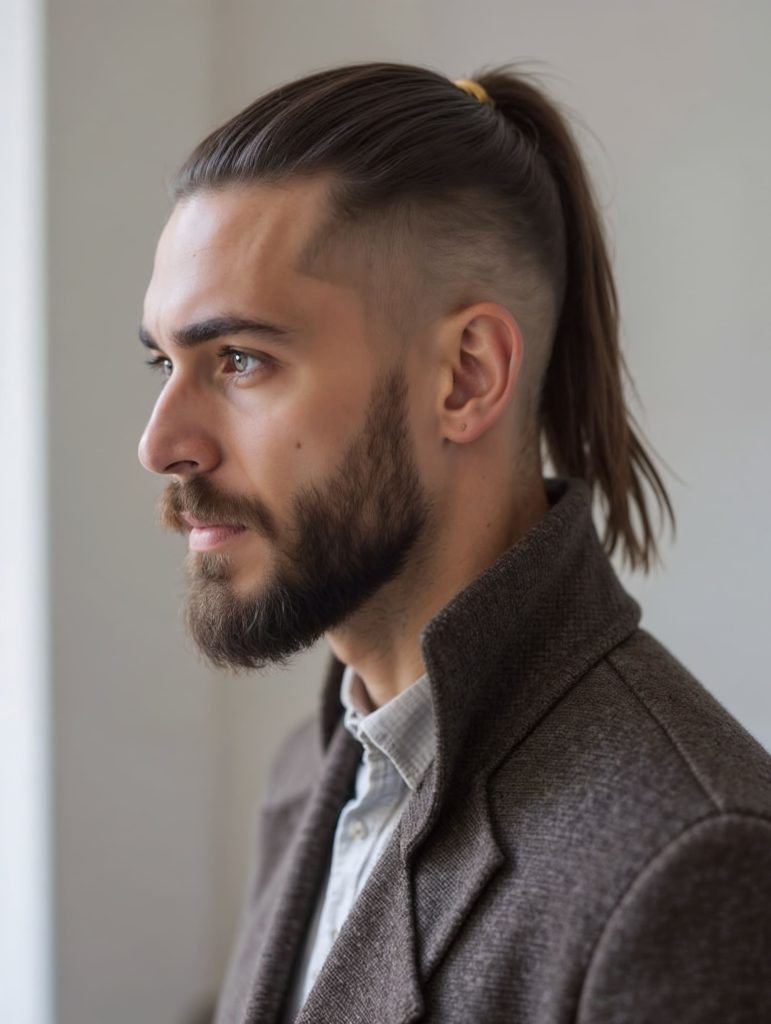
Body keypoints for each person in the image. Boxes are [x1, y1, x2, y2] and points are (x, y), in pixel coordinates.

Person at [137, 62, 771, 1024]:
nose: (160, 443)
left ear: (465, 378)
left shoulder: (688, 868)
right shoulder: (318, 771)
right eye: (163, 360)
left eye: (240, 360)